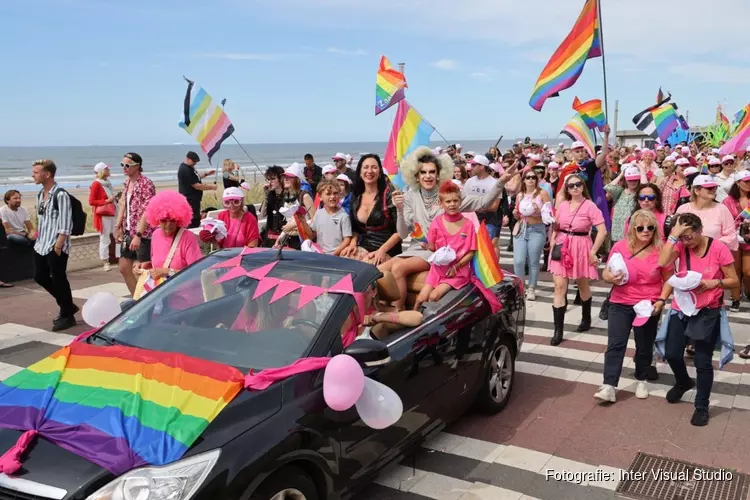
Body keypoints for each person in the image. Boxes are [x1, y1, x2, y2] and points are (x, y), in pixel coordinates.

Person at [384, 147, 510, 310]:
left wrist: (500, 182)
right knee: (377, 271)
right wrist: (400, 210)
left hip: (438, 252)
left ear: (439, 174)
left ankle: (398, 314)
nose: (428, 176)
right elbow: (402, 233)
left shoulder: (448, 195)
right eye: (423, 172)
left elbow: (483, 202)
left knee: (398, 268)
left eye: (432, 172)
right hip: (416, 248)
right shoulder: (409, 196)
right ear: (416, 175)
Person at [659, 213, 739, 426]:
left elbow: (734, 280)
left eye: (689, 237)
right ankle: (684, 381)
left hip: (707, 309)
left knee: (703, 361)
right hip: (682, 307)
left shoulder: (718, 248)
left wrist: (716, 283)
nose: (687, 242)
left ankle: (701, 406)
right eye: (682, 238)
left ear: (700, 230)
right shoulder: (681, 245)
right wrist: (674, 236)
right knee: (672, 353)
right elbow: (662, 261)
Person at [596, 210, 673, 404]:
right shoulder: (620, 247)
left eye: (650, 227)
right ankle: (609, 385)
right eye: (641, 228)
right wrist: (609, 277)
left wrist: (662, 300)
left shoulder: (661, 250)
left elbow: (669, 279)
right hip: (620, 302)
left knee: (644, 346)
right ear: (632, 229)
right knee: (616, 344)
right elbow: (606, 272)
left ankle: (641, 379)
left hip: (647, 305)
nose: (645, 231)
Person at [548, 174, 608, 345]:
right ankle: (558, 330)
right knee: (560, 287)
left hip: (582, 247)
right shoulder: (563, 205)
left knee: (582, 284)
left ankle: (586, 317)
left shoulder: (590, 206)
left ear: (583, 186)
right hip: (562, 246)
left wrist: (594, 251)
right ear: (566, 189)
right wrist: (553, 237)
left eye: (578, 184)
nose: (575, 187)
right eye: (571, 185)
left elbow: (602, 231)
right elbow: (557, 225)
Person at [414, 181, 477, 309]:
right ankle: (411, 323)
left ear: (460, 201)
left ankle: (429, 326)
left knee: (433, 296)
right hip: (438, 269)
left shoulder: (468, 224)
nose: (452, 204)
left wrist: (456, 267)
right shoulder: (436, 222)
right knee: (420, 298)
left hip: (458, 271)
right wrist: (427, 246)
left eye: (455, 201)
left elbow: (471, 252)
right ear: (441, 204)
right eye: (448, 202)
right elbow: (433, 247)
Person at [31, 159, 78, 331]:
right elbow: (41, 220)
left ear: (47, 174)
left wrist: (58, 247)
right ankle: (68, 305)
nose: (33, 175)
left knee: (59, 280)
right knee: (39, 276)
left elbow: (66, 225)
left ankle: (68, 315)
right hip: (41, 244)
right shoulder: (39, 194)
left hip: (55, 246)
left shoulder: (60, 195)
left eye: (36, 172)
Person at [140, 191, 204, 310]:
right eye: (164, 220)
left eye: (172, 220)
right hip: (161, 298)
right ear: (157, 219)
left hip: (184, 301)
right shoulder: (155, 235)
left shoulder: (188, 238)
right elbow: (158, 262)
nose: (168, 224)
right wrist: (146, 266)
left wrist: (167, 271)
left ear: (179, 218)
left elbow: (197, 273)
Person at [341, 154, 402, 265]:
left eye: (374, 167)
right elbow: (355, 229)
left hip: (388, 249)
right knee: (344, 258)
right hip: (364, 246)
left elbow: (399, 232)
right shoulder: (356, 195)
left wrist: (382, 250)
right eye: (366, 167)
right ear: (360, 172)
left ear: (379, 172)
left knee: (365, 268)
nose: (370, 171)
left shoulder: (389, 195)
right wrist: (353, 243)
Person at [115, 152, 156, 295]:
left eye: (127, 165)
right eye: (122, 165)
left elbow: (147, 210)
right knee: (124, 268)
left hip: (143, 234)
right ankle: (137, 299)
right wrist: (118, 226)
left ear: (137, 166)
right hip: (128, 232)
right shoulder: (127, 183)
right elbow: (122, 205)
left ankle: (148, 301)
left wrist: (139, 235)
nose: (124, 168)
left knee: (142, 271)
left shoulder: (146, 183)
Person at [513, 167, 552, 300]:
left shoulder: (543, 193)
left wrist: (539, 210)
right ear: (523, 180)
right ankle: (520, 286)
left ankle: (531, 288)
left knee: (533, 261)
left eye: (533, 177)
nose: (530, 179)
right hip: (522, 228)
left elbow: (549, 214)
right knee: (518, 261)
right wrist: (515, 214)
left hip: (537, 229)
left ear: (537, 180)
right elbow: (518, 214)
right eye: (527, 177)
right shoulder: (520, 195)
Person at [296, 180, 352, 255]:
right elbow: (312, 235)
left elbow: (347, 240)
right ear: (320, 197)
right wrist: (303, 221)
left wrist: (334, 254)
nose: (332, 196)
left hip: (337, 256)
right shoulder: (318, 213)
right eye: (328, 194)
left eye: (335, 193)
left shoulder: (344, 216)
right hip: (320, 254)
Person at [88, 162, 120, 271]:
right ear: (102, 171)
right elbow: (92, 201)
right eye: (107, 169)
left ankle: (118, 258)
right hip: (104, 214)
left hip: (113, 211)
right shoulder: (96, 184)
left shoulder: (107, 182)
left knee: (117, 235)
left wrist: (115, 198)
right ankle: (105, 261)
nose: (109, 171)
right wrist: (107, 201)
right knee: (105, 237)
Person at [177, 151, 217, 228]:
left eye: (196, 162)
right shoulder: (185, 169)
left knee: (196, 217)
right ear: (188, 159)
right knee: (193, 220)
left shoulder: (190, 168)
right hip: (189, 199)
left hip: (194, 199)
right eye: (194, 161)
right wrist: (212, 187)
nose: (195, 163)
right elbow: (197, 186)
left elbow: (196, 178)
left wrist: (207, 174)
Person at [259, 166, 286, 247]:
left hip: (284, 235)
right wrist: (266, 195)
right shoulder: (270, 194)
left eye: (273, 179)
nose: (270, 182)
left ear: (281, 179)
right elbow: (263, 214)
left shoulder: (287, 195)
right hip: (270, 234)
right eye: (268, 180)